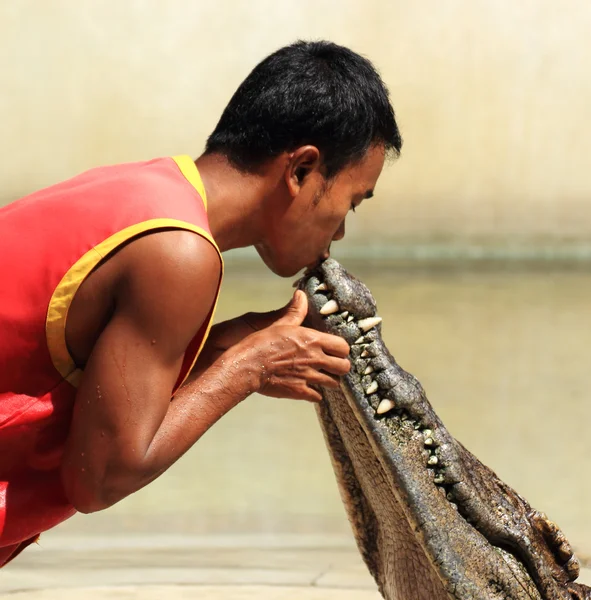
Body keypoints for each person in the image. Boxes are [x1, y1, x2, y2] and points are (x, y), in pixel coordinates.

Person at [0, 40, 402, 566]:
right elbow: (98, 478)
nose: (342, 230)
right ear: (302, 170)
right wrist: (250, 366)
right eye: (350, 201)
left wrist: (225, 345)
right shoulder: (179, 252)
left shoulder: (146, 189)